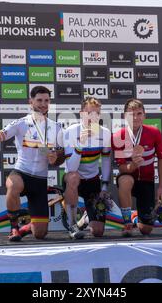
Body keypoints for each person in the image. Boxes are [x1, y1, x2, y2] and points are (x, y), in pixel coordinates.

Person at [0, 86, 64, 241]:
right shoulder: (20, 124)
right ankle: (14, 227)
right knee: (13, 185)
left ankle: (27, 227)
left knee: (40, 233)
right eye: (39, 100)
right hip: (21, 173)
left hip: (40, 180)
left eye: (46, 100)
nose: (43, 104)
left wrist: (56, 158)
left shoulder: (56, 127)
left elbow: (60, 158)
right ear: (31, 102)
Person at [112, 99, 162, 237]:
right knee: (125, 181)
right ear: (125, 116)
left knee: (146, 229)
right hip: (129, 177)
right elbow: (122, 169)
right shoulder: (118, 136)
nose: (135, 118)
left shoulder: (154, 132)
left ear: (144, 115)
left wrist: (160, 187)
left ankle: (138, 217)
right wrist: (134, 165)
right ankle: (127, 223)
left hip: (147, 181)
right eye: (131, 114)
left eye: (139, 113)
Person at [63, 97, 112, 239]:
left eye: (97, 114)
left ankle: (85, 219)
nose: (93, 117)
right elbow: (71, 167)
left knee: (98, 232)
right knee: (73, 177)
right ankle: (72, 225)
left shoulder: (105, 133)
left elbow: (106, 160)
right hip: (73, 179)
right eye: (89, 113)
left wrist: (104, 188)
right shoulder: (71, 132)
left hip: (93, 181)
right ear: (81, 113)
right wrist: (80, 144)